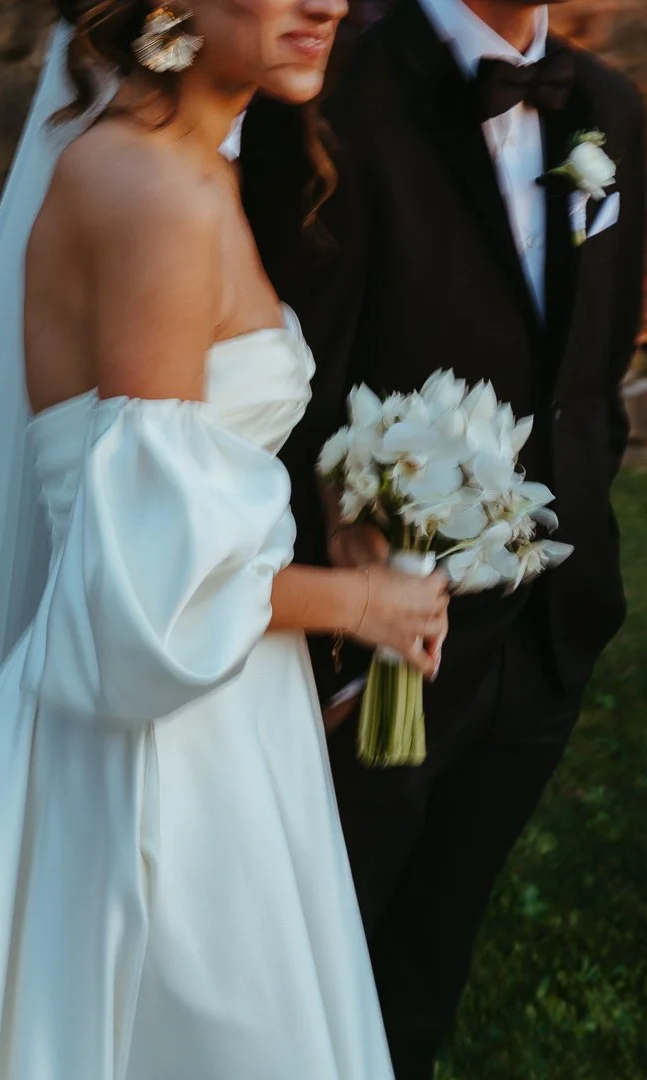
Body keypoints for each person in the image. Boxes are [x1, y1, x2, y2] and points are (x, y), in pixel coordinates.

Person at [0, 2, 453, 1077]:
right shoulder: (152, 191)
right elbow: (143, 590)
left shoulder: (187, 164)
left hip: (220, 711)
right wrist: (362, 607)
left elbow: (183, 487)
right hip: (158, 757)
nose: (330, 4)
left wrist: (337, 537)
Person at [241, 0, 646, 1076]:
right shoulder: (329, 102)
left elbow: (588, 381)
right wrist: (327, 623)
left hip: (544, 645)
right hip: (364, 662)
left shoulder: (611, 112)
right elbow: (278, 394)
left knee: (419, 995)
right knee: (303, 993)